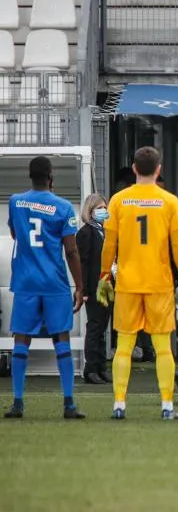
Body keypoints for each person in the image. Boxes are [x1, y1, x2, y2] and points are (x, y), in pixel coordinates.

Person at [97, 146, 178, 421]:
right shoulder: (169, 201)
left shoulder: (118, 200)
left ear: (134, 169)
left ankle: (119, 404)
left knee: (124, 346)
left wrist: (105, 274)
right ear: (158, 169)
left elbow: (109, 244)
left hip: (127, 282)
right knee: (163, 347)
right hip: (159, 283)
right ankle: (166, 406)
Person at [4, 156, 86, 419]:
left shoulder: (16, 202)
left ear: (30, 176)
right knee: (61, 337)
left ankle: (17, 403)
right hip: (54, 282)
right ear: (51, 176)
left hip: (26, 282)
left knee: (21, 339)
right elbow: (71, 250)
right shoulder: (63, 208)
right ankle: (69, 404)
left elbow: (17, 234)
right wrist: (80, 286)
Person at [78, 193, 113, 384]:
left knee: (102, 327)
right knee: (94, 326)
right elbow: (83, 263)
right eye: (99, 208)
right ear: (90, 211)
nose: (104, 211)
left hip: (107, 285)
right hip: (93, 287)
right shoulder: (85, 233)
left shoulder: (105, 232)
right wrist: (83, 290)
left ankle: (101, 366)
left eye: (104, 207)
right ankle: (90, 369)